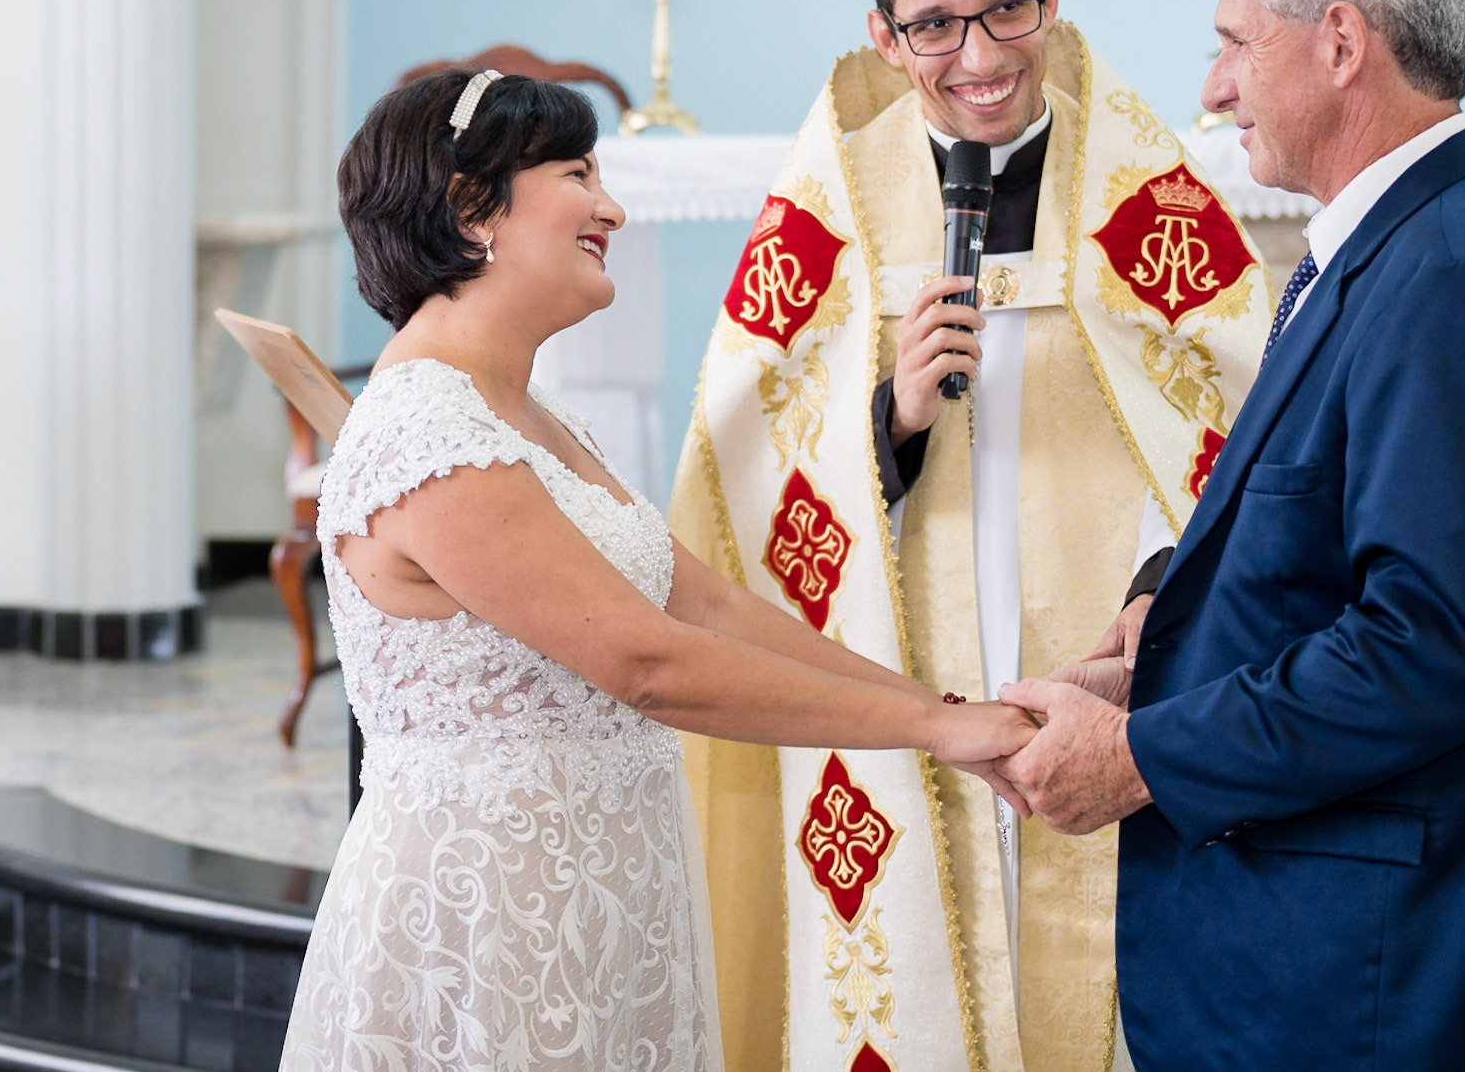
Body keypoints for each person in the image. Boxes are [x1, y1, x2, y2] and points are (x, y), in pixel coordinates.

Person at [995, 0, 1465, 1070]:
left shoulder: (1455, 267)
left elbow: (1429, 647)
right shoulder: (1420, 239)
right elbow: (1351, 517)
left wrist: (1141, 756)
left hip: (1404, 967)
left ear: (1340, 42)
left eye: (1230, 44)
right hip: (1380, 941)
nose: (1211, 88)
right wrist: (1175, 616)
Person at [276, 69, 1037, 1072]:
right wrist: (937, 731)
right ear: (472, 208)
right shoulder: (427, 429)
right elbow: (648, 662)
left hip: (603, 895)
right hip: (489, 921)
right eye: (577, 173)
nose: (613, 208)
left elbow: (706, 605)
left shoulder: (536, 418)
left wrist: (937, 705)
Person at [668, 0, 1272, 1072]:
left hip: (1100, 653)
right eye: (934, 26)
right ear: (885, 41)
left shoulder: (1145, 195)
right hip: (904, 667)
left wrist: (1161, 596)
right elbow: (739, 483)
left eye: (1004, 10)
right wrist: (881, 426)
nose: (979, 54)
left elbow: (1250, 430)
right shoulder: (828, 208)